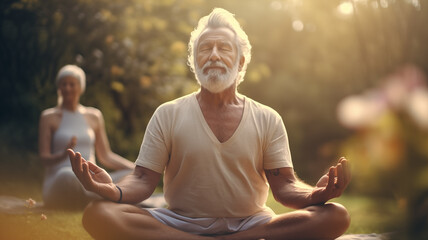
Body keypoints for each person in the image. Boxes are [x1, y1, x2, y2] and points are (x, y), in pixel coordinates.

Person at [68, 8, 351, 240]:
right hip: (179, 224)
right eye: (205, 48)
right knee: (98, 213)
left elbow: (286, 186)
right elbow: (142, 180)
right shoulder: (168, 114)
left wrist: (317, 194)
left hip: (251, 225)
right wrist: (111, 190)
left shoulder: (267, 118)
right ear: (195, 61)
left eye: (223, 48)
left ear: (241, 62)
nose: (214, 54)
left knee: (336, 215)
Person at [38, 65, 134, 208]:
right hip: (61, 179)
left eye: (72, 84)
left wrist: (135, 169)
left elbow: (106, 155)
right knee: (68, 175)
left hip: (91, 178)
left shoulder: (94, 116)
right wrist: (63, 154)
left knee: (130, 175)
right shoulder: (49, 116)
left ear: (81, 87)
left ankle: (100, 193)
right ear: (59, 87)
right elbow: (44, 159)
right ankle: (107, 196)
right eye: (64, 84)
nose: (67, 88)